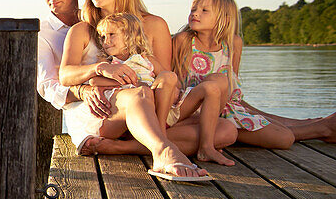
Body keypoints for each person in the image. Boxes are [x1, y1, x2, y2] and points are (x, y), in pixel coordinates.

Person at [36, 0, 235, 166]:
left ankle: (128, 146)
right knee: (139, 95)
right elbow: (65, 75)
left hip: (153, 107)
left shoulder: (155, 24)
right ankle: (161, 148)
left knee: (226, 130)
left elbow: (164, 78)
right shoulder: (84, 28)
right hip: (110, 111)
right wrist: (98, 71)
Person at [172, 0, 336, 148]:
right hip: (196, 108)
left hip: (226, 107)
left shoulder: (233, 44)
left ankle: (319, 125)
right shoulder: (184, 41)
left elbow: (233, 84)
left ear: (224, 18)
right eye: (193, 9)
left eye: (204, 10)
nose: (195, 13)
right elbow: (178, 83)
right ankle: (324, 128)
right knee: (284, 138)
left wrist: (242, 109)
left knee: (278, 134)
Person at [88, 12, 235, 166]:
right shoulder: (108, 62)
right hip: (138, 117)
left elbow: (174, 84)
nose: (106, 41)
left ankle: (206, 147)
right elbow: (94, 80)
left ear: (130, 35)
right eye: (103, 37)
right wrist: (132, 83)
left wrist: (171, 90)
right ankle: (159, 139)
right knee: (167, 78)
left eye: (112, 35)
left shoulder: (147, 59)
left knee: (208, 89)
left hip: (164, 111)